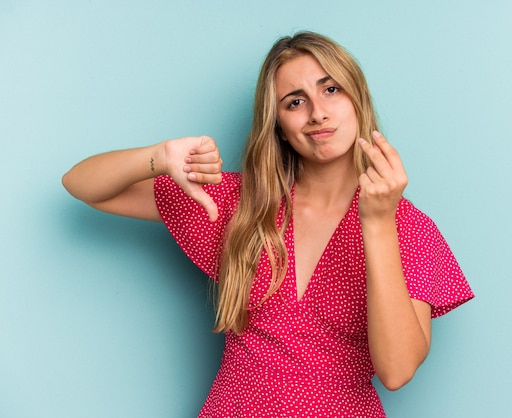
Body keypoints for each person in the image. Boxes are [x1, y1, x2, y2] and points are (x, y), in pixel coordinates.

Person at [63, 31, 474, 418]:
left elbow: (398, 371)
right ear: (277, 124)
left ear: (357, 97)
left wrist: (379, 222)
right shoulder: (243, 204)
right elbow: (81, 184)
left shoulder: (410, 227)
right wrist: (160, 155)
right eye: (295, 101)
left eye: (331, 89)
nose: (317, 113)